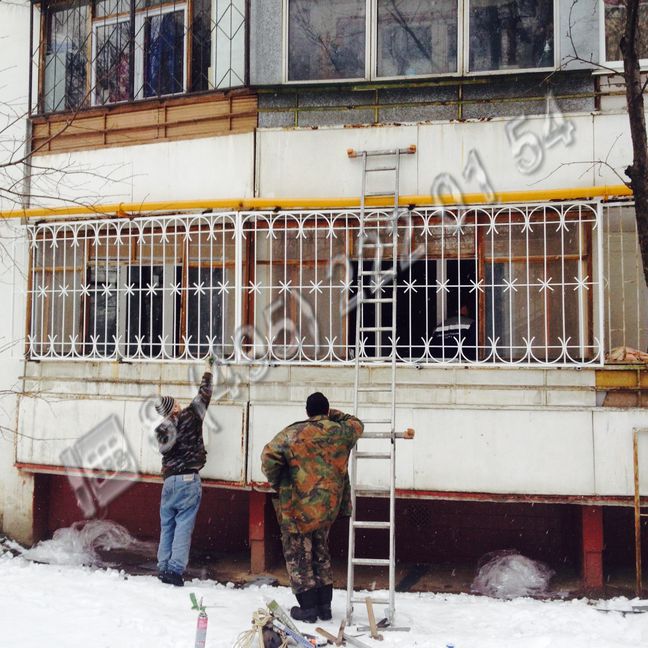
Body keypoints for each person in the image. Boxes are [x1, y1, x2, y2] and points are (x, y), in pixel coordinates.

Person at [261, 392, 364, 623]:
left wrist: (280, 482)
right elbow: (357, 423)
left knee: (299, 556)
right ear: (326, 410)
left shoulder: (293, 433)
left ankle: (308, 609)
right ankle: (325, 608)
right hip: (327, 508)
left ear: (307, 412)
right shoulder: (341, 431)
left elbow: (268, 457)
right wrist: (331, 415)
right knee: (321, 552)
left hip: (298, 507)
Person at [154, 366, 213, 586]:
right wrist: (208, 372)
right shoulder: (190, 416)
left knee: (167, 525)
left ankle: (163, 566)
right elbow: (204, 395)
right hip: (188, 479)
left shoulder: (161, 431)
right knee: (183, 524)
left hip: (169, 481)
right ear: (175, 406)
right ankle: (175, 570)